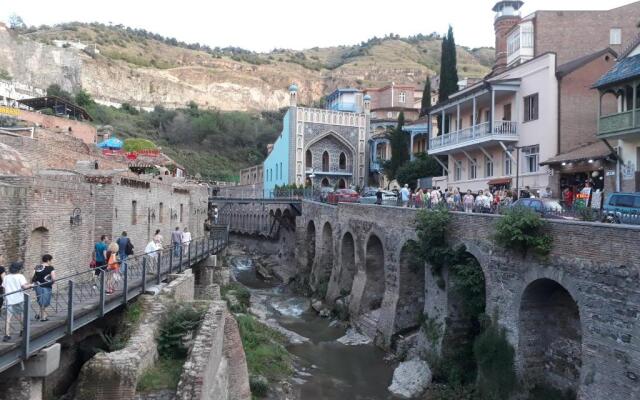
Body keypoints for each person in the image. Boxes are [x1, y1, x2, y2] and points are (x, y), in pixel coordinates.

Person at [3, 262, 32, 341]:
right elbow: (24, 286)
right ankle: (23, 330)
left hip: (9, 299)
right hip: (19, 299)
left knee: (8, 317)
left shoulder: (6, 277)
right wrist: (31, 285)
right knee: (20, 315)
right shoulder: (20, 276)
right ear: (19, 269)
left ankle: (7, 335)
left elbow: (4, 287)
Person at [32, 254, 56, 322]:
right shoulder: (51, 268)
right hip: (46, 286)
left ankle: (38, 314)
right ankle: (43, 317)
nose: (51, 262)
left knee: (41, 300)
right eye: (51, 260)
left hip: (38, 286)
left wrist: (33, 283)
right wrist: (52, 282)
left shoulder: (37, 267)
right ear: (48, 260)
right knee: (44, 302)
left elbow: (32, 276)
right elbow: (54, 278)